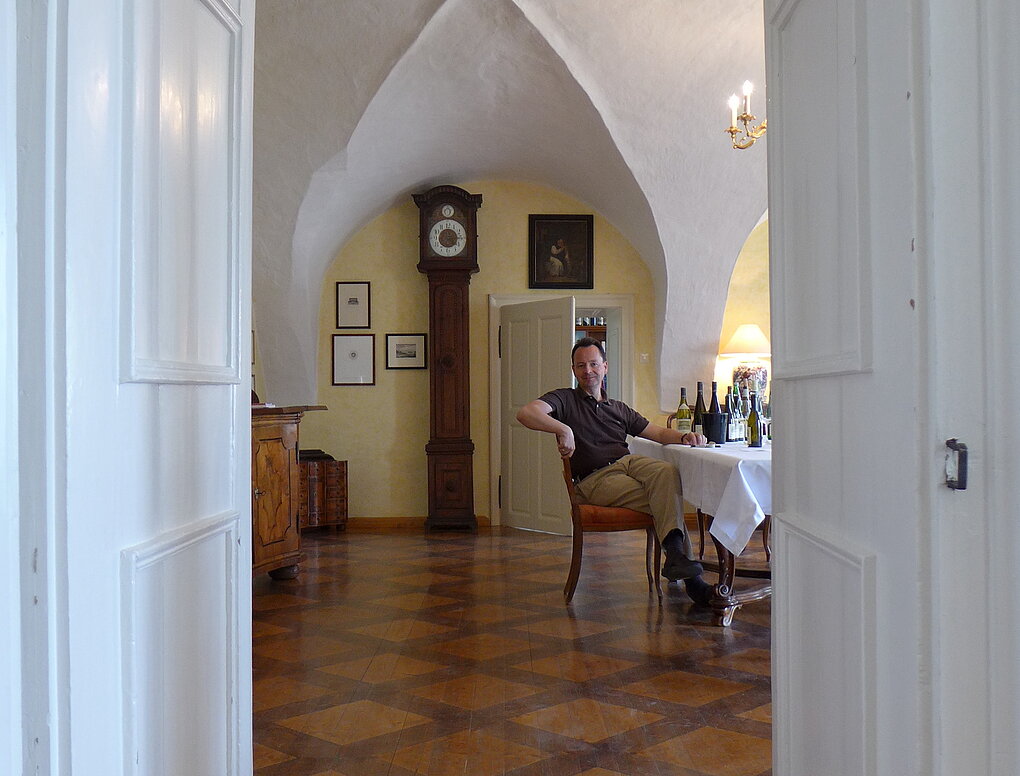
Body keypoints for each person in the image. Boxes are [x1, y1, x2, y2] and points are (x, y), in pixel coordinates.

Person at [515, 337, 713, 604]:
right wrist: (563, 428)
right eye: (581, 365)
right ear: (574, 370)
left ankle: (677, 558)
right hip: (594, 479)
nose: (588, 371)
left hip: (628, 464)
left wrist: (684, 437)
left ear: (605, 367)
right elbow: (526, 413)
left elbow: (656, 432)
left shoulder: (617, 408)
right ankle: (691, 578)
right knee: (666, 498)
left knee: (667, 473)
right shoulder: (565, 399)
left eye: (594, 364)